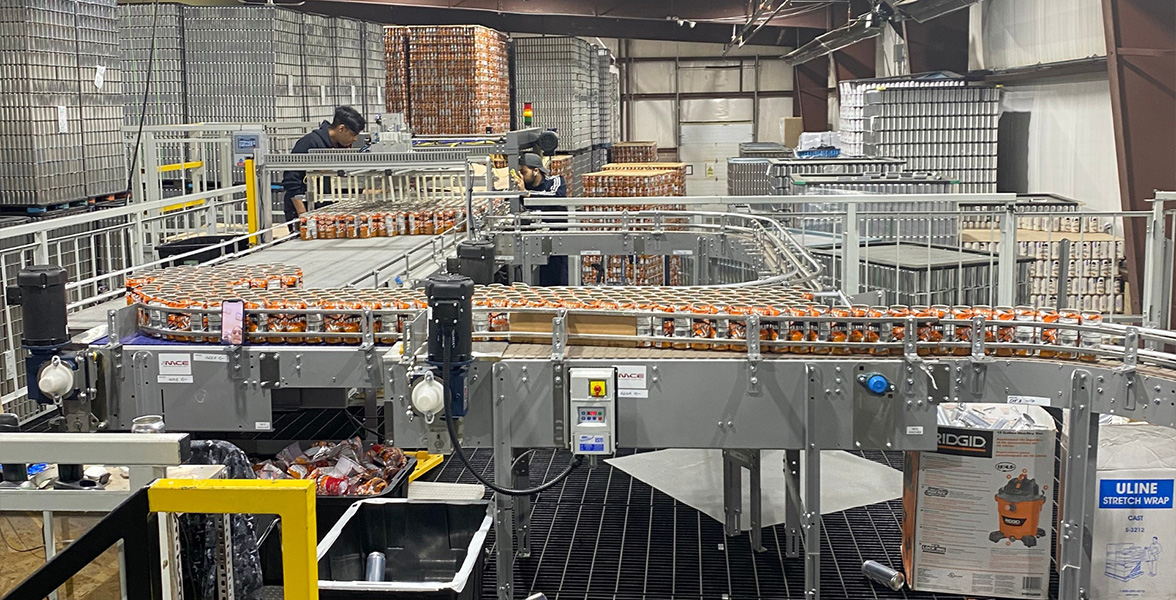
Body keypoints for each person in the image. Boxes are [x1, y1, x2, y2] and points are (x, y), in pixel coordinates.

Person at [280, 106, 367, 232]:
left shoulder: (340, 147)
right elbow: (291, 179)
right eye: (353, 134)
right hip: (305, 209)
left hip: (327, 211)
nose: (355, 139)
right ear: (341, 128)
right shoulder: (309, 143)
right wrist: (303, 216)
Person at [512, 153, 569, 285]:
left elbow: (556, 197)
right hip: (532, 242)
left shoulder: (555, 181)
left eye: (523, 171)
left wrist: (526, 193)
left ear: (536, 171)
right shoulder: (522, 187)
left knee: (557, 281)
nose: (521, 176)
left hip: (556, 240)